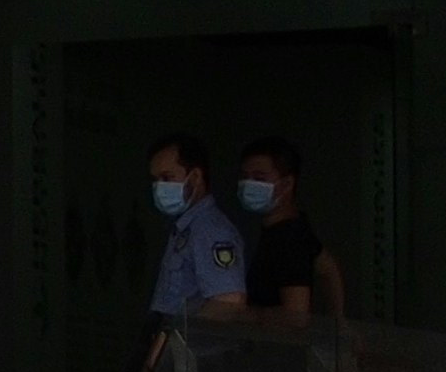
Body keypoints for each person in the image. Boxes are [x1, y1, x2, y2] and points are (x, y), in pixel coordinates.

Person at [146, 131, 249, 339]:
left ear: (195, 177)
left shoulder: (210, 230)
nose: (160, 187)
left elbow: (228, 301)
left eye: (167, 178)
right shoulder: (186, 227)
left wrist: (179, 341)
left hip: (193, 362)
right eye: (155, 180)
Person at [234, 133, 345, 324]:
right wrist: (338, 318)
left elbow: (295, 316)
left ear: (286, 184)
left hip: (276, 350)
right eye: (245, 177)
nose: (249, 185)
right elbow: (328, 268)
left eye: (259, 178)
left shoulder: (289, 240)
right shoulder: (293, 229)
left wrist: (241, 314)